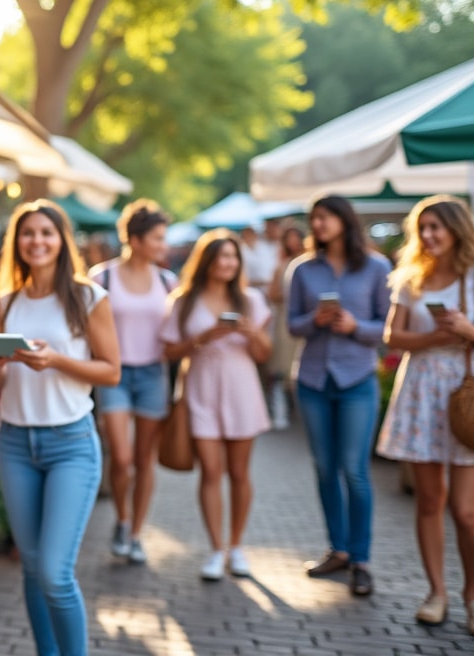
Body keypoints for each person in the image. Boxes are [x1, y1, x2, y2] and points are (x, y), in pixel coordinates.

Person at [0, 200, 120, 656]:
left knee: (56, 573)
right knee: (32, 569)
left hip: (71, 444)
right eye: (27, 233)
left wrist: (55, 359)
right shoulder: (3, 303)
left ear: (62, 241)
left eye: (46, 232)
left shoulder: (88, 297)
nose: (36, 241)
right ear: (16, 243)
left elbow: (111, 371)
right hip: (16, 442)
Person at [376, 195, 474, 629]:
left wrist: (466, 330)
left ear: (457, 229)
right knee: (429, 500)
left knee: (467, 510)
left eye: (437, 227)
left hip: (465, 394)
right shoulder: (410, 278)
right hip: (420, 390)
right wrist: (434, 339)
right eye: (423, 228)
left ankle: (473, 593)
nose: (430, 236)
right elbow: (392, 336)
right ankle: (436, 591)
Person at [286, 194, 391, 597]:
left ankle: (362, 560)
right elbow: (292, 326)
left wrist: (355, 327)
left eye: (325, 217)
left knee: (355, 470)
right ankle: (339, 550)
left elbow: (386, 327)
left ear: (345, 221)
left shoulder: (378, 267)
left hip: (357, 380)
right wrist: (315, 320)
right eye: (314, 218)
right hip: (313, 380)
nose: (318, 225)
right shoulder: (302, 270)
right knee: (325, 468)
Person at [161, 229, 272, 581]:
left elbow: (264, 355)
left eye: (233, 257)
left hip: (241, 387)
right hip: (201, 387)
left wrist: (252, 333)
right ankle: (215, 549)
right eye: (221, 256)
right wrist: (203, 338)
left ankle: (237, 547)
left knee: (239, 473)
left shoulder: (251, 300)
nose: (228, 263)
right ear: (207, 261)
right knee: (210, 471)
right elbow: (169, 351)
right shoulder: (183, 301)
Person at [89, 199, 176, 565]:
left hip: (153, 374)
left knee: (144, 459)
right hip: (115, 375)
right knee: (121, 459)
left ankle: (136, 532)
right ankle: (122, 520)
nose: (163, 245)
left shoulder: (168, 280)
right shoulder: (101, 278)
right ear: (135, 240)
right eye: (157, 238)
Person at [266, 221, 307, 429]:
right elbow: (272, 294)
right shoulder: (281, 267)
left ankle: (300, 411)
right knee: (281, 369)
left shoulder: (309, 265)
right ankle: (281, 412)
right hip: (284, 322)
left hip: (303, 321)